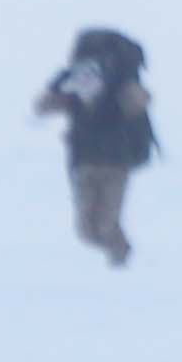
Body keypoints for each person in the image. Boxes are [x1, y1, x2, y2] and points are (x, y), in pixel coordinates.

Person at [32, 28, 156, 266]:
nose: (87, 84)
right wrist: (54, 89)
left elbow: (140, 101)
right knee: (86, 231)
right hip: (83, 164)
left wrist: (126, 88)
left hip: (115, 165)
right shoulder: (74, 95)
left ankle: (122, 264)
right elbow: (41, 107)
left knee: (107, 223)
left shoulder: (119, 91)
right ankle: (121, 254)